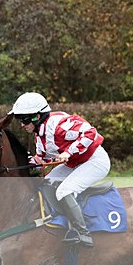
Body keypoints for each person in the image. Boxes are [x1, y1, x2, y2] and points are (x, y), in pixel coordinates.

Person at [9, 92, 110, 247]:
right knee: (47, 183)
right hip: (74, 164)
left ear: (37, 116)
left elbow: (90, 133)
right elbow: (41, 160)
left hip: (95, 161)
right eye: (20, 120)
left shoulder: (58, 124)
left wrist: (68, 152)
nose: (22, 124)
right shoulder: (39, 136)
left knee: (64, 191)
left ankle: (83, 233)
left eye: (25, 119)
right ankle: (59, 220)